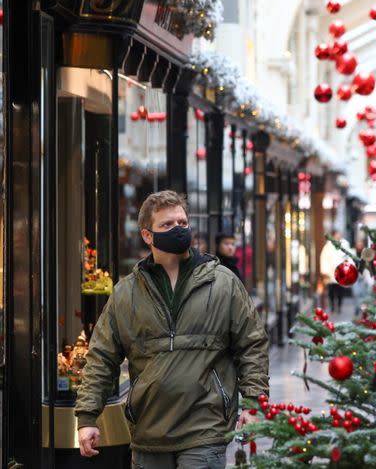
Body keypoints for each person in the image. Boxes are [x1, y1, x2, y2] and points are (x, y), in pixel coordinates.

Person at [76, 191, 269, 469]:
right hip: (149, 431)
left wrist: (254, 403)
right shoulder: (126, 293)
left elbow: (251, 344)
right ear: (147, 236)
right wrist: (87, 417)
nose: (178, 229)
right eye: (167, 225)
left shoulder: (223, 283)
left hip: (205, 428)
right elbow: (102, 357)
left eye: (182, 222)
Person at [319, 229, 349, 313]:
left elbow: (348, 257)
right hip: (331, 273)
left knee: (340, 291)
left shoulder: (344, 244)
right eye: (337, 234)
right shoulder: (328, 246)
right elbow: (324, 258)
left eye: (339, 234)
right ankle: (332, 306)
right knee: (331, 291)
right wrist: (324, 271)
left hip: (341, 272)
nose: (338, 236)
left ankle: (339, 306)